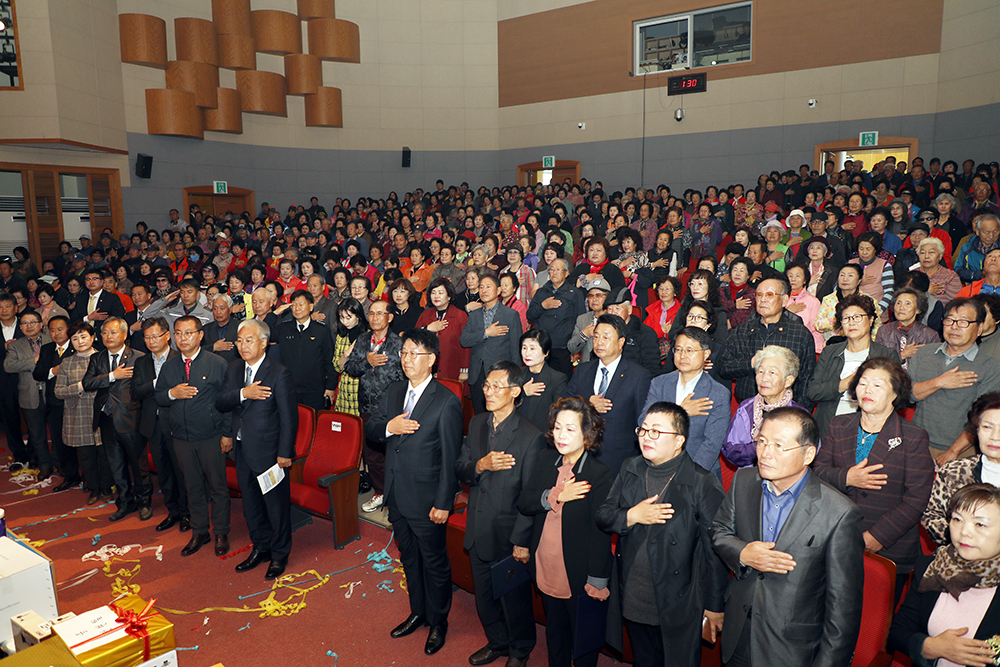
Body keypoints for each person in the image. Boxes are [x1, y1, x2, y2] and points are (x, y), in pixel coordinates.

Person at [711, 407, 864, 667]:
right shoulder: (744, 480)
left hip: (791, 648)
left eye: (779, 446)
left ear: (808, 454)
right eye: (762, 442)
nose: (765, 453)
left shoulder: (839, 514)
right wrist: (743, 553)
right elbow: (719, 530)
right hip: (739, 631)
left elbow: (842, 611)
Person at [596, 401, 728, 667]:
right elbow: (603, 515)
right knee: (644, 659)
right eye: (643, 430)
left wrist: (715, 605)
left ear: (679, 440)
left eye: (656, 431)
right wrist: (632, 516)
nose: (646, 437)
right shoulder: (630, 467)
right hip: (633, 591)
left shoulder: (702, 483)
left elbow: (715, 551)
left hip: (678, 599)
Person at [365, 328, 463, 656]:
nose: (406, 359)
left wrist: (443, 503)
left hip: (427, 500)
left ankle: (439, 622)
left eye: (414, 354)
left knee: (434, 563)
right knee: (408, 559)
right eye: (404, 353)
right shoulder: (394, 391)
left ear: (431, 360)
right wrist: (389, 427)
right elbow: (372, 427)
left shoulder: (446, 401)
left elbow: (451, 460)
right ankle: (418, 611)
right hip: (396, 495)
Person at [812, 357, 935, 597]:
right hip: (837, 537)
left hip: (887, 546)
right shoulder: (839, 425)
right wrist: (846, 477)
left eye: (877, 385)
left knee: (873, 626)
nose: (867, 390)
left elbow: (917, 498)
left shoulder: (913, 436)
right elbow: (817, 471)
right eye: (863, 383)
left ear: (895, 394)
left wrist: (877, 536)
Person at [455, 361, 544, 667]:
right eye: (486, 386)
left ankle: (520, 649)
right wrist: (481, 466)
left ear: (515, 391)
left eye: (496, 387)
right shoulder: (478, 423)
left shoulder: (531, 436)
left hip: (508, 534)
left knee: (514, 600)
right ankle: (498, 642)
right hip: (478, 525)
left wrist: (521, 541)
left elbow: (530, 497)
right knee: (485, 599)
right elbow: (461, 467)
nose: (488, 392)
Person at [517, 396, 614, 667]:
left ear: (587, 435)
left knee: (583, 640)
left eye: (570, 429)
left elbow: (600, 533)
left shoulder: (599, 474)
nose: (561, 435)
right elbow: (525, 501)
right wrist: (556, 495)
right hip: (545, 564)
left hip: (577, 572)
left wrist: (598, 579)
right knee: (555, 634)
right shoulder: (547, 459)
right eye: (558, 427)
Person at [217, 319, 297, 580]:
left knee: (276, 506)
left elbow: (288, 417)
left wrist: (285, 452)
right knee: (251, 504)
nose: (242, 346)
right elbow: (221, 402)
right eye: (239, 341)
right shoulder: (234, 368)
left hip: (269, 453)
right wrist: (243, 393)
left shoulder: (279, 372)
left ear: (264, 342)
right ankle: (261, 546)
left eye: (248, 340)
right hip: (241, 449)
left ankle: (280, 554)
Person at [889, 483, 1000, 667]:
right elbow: (898, 631)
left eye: (980, 524)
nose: (964, 532)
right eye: (957, 519)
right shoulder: (933, 567)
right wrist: (931, 646)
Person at [154, 316, 232, 558]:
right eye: (178, 333)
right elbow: (158, 397)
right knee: (193, 486)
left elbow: (228, 402)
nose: (183, 338)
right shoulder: (170, 366)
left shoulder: (217, 363)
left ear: (200, 335)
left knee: (218, 487)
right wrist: (172, 393)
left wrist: (227, 434)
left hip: (211, 436)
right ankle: (200, 531)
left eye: (188, 333)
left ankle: (221, 531)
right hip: (181, 438)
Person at [910, 298, 1000, 465]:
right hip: (917, 442)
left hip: (960, 451)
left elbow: (983, 417)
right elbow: (908, 395)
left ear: (979, 328)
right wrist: (939, 382)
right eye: (950, 320)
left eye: (964, 322)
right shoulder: (924, 354)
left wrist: (953, 451)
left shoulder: (991, 366)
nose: (954, 327)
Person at [563, 314, 651, 476]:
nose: (599, 342)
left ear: (621, 342)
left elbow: (643, 420)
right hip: (581, 453)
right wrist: (586, 405)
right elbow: (563, 405)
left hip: (618, 458)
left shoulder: (638, 375)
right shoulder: (583, 370)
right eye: (596, 337)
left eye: (606, 337)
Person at [82, 317, 151, 522]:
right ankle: (125, 502)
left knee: (139, 465)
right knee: (116, 465)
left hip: (131, 419)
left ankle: (144, 501)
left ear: (124, 334)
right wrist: (112, 375)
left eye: (113, 332)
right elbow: (87, 383)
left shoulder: (138, 357)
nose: (108, 336)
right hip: (106, 419)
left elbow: (143, 390)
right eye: (104, 333)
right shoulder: (97, 358)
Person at [639, 327, 731, 477]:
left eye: (690, 350)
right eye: (678, 349)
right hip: (657, 468)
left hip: (698, 474)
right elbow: (643, 421)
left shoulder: (718, 393)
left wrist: (685, 475)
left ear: (706, 354)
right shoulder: (659, 383)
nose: (683, 355)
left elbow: (712, 444)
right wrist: (680, 411)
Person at [806, 293, 900, 435]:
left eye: (857, 317)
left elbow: (895, 396)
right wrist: (846, 383)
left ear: (870, 320)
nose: (851, 322)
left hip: (869, 427)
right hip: (829, 424)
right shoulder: (830, 352)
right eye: (846, 318)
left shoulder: (886, 355)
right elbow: (813, 391)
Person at [716, 277, 817, 408]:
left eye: (769, 295)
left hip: (786, 410)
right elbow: (723, 367)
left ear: (784, 300)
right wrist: (750, 363)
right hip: (748, 406)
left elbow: (806, 378)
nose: (763, 299)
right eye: (759, 295)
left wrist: (800, 412)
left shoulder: (800, 334)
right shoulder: (743, 330)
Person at [344, 300, 404, 513]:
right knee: (371, 456)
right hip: (366, 407)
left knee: (394, 454)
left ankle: (396, 496)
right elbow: (350, 368)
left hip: (392, 409)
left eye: (380, 313)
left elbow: (405, 377)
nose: (375, 317)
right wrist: (367, 362)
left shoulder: (399, 344)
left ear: (390, 317)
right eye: (371, 313)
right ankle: (380, 492)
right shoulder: (361, 340)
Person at [131, 316, 189, 533]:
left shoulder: (180, 358)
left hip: (177, 424)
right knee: (163, 473)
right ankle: (173, 511)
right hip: (152, 426)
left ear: (167, 336)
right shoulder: (141, 362)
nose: (151, 341)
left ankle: (186, 513)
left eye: (155, 336)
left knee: (181, 471)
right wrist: (157, 383)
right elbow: (135, 392)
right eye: (147, 337)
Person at [923, 392, 1000, 544]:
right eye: (987, 427)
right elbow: (931, 516)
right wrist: (964, 538)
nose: (995, 436)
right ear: (976, 429)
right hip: (959, 557)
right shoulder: (953, 471)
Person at [54, 322, 111, 503]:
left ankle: (107, 486)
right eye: (75, 338)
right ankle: (93, 487)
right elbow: (58, 391)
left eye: (84, 336)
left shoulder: (103, 358)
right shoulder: (67, 362)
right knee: (86, 455)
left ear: (93, 338)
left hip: (101, 413)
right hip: (77, 413)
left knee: (105, 454)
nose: (80, 341)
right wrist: (80, 387)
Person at [461, 274, 523, 414]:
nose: (484, 290)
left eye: (488, 286)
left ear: (499, 290)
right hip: (477, 374)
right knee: (480, 414)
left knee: (499, 413)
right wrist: (486, 333)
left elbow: (515, 349)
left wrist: (516, 379)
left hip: (500, 375)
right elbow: (464, 340)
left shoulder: (510, 315)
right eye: (481, 287)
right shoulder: (474, 314)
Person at [4, 311, 53, 480]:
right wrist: (35, 360)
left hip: (52, 392)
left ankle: (63, 465)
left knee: (57, 433)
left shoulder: (52, 340)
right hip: (29, 394)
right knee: (36, 434)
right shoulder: (15, 345)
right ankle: (45, 465)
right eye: (24, 323)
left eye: (33, 322)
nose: (29, 326)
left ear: (41, 324)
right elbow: (9, 366)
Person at [33, 316, 79, 491]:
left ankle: (93, 479)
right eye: (52, 330)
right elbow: (38, 374)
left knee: (83, 442)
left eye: (60, 329)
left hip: (77, 402)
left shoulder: (78, 346)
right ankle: (71, 476)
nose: (56, 333)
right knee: (61, 441)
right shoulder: (47, 349)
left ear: (68, 329)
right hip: (55, 403)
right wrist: (54, 370)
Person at [274, 289, 336, 411]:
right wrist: (274, 313)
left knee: (313, 425)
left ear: (311, 306)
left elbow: (330, 359)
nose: (297, 308)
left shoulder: (321, 330)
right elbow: (262, 332)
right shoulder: (284, 328)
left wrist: (331, 387)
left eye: (301, 304)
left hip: (315, 390)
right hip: (288, 388)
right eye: (294, 304)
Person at [527, 257, 586, 376]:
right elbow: (530, 316)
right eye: (551, 269)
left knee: (562, 382)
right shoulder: (541, 292)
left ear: (566, 273)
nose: (553, 272)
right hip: (541, 345)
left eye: (557, 269)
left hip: (563, 347)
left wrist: (575, 349)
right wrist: (543, 306)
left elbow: (580, 321)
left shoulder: (575, 294)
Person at [415, 278, 469, 382]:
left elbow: (465, 346)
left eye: (440, 292)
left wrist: (464, 370)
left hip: (451, 367)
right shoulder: (425, 314)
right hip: (426, 368)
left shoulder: (460, 315)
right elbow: (413, 339)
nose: (436, 296)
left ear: (449, 296)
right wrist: (427, 329)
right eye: (433, 293)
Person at [518, 329, 568, 434]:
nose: (527, 353)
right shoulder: (516, 374)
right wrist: (522, 392)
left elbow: (558, 413)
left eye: (532, 348)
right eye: (524, 348)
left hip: (540, 435)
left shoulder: (557, 379)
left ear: (546, 352)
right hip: (515, 433)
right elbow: (505, 403)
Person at [568, 277, 611, 364]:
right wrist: (584, 334)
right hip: (587, 369)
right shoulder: (582, 319)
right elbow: (571, 347)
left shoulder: (613, 319)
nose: (594, 299)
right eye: (591, 296)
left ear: (608, 297)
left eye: (599, 295)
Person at [202, 294, 239, 365]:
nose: (218, 312)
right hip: (211, 368)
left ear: (230, 309)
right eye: (215, 308)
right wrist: (213, 347)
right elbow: (197, 350)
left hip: (233, 369)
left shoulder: (240, 327)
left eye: (222, 308)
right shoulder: (205, 329)